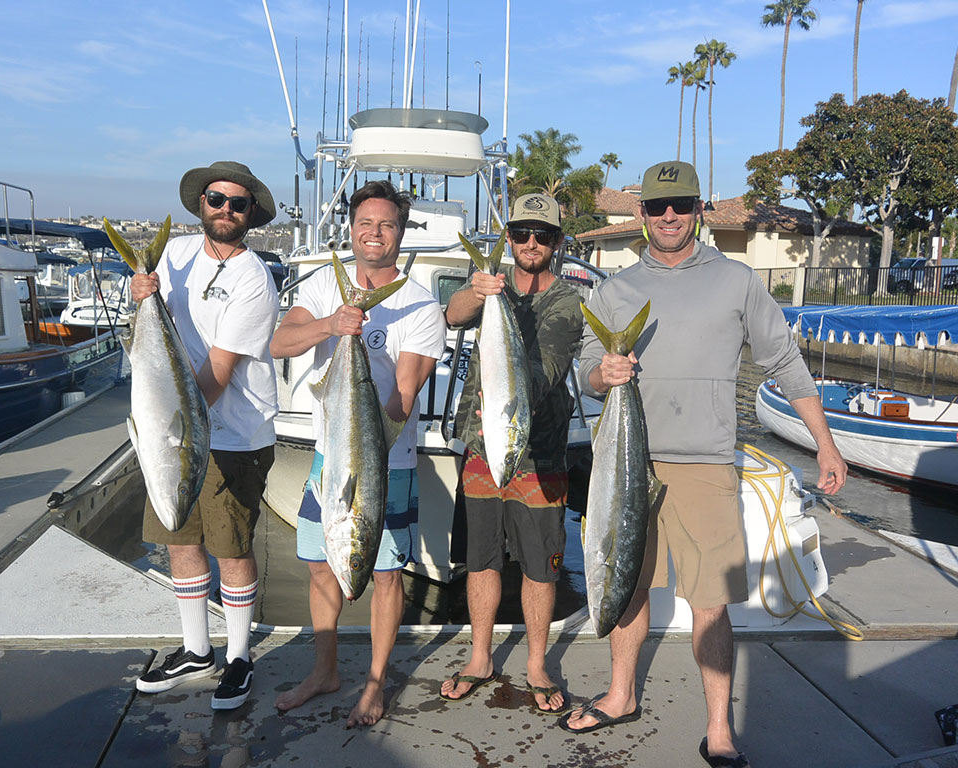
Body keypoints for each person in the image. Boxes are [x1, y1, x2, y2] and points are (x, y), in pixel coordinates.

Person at [567, 161, 847, 766]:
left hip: (706, 465)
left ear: (700, 210)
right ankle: (621, 695)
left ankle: (719, 728)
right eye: (658, 206)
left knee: (710, 599)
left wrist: (825, 442)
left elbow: (785, 363)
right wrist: (601, 373)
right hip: (626, 460)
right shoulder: (612, 292)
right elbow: (586, 373)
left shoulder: (738, 282)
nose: (670, 216)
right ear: (641, 215)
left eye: (682, 204)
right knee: (626, 585)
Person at [269, 180, 446, 726]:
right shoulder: (325, 285)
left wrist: (369, 426)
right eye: (365, 223)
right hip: (328, 461)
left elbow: (404, 396)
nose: (374, 234)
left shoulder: (420, 305)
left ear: (399, 232)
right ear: (351, 229)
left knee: (387, 575)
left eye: (387, 225)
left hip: (383, 463)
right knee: (320, 566)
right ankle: (325, 671)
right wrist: (333, 326)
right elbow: (280, 342)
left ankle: (374, 684)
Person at [132, 161, 280, 711]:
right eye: (217, 199)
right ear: (202, 202)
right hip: (171, 428)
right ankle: (197, 651)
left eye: (238, 204)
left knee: (231, 546)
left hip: (232, 434)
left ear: (249, 216)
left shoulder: (254, 279)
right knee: (179, 536)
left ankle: (238, 656)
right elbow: (152, 336)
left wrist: (165, 423)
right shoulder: (171, 257)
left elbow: (217, 375)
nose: (225, 209)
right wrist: (140, 296)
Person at [438, 194, 584, 715]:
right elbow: (452, 316)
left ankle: (538, 663)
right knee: (480, 558)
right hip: (483, 447)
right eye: (520, 232)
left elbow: (543, 375)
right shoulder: (490, 286)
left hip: (538, 453)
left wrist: (499, 310)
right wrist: (479, 294)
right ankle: (480, 657)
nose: (529, 243)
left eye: (541, 235)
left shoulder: (566, 301)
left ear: (556, 243)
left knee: (541, 567)